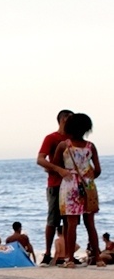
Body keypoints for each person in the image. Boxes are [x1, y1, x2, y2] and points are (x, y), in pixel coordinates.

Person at [52, 112, 103, 268]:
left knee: (71, 223)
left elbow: (55, 166)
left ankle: (70, 260)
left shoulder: (64, 145)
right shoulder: (90, 146)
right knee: (90, 223)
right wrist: (87, 175)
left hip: (69, 185)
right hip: (87, 185)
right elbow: (98, 170)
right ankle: (98, 258)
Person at [37, 109, 74, 266]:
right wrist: (57, 169)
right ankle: (47, 254)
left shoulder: (73, 138)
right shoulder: (52, 138)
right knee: (53, 219)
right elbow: (40, 159)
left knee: (69, 220)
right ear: (64, 119)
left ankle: (67, 255)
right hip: (55, 184)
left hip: (71, 184)